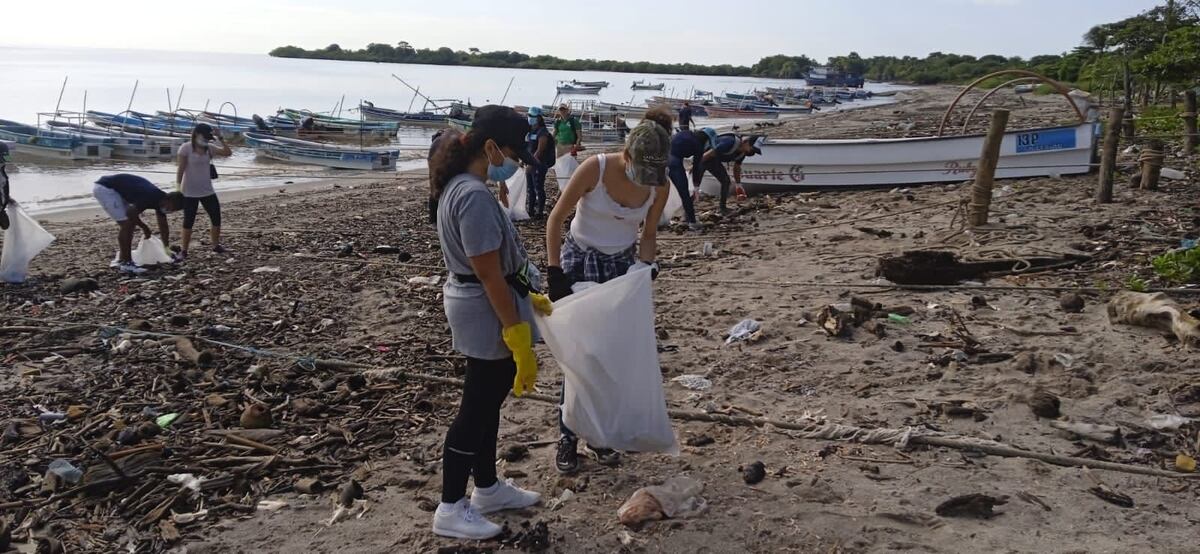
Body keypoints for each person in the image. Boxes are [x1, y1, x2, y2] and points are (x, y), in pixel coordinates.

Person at [428, 105, 550, 540]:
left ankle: (487, 487)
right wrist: (515, 332)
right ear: (491, 147)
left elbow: (496, 264)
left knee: (488, 403)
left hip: (483, 302)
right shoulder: (474, 195)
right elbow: (486, 272)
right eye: (514, 154)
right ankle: (450, 505)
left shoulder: (465, 185)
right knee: (475, 409)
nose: (515, 164)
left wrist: (528, 291)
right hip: (484, 309)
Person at [544, 118, 671, 473]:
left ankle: (600, 436)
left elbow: (647, 235)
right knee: (580, 356)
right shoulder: (595, 168)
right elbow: (555, 220)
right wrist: (555, 273)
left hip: (620, 267)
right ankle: (568, 438)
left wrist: (645, 268)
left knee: (612, 356)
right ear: (627, 154)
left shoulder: (657, 186)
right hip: (579, 261)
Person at [92, 174, 184, 274]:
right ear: (168, 199)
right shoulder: (150, 196)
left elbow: (163, 226)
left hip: (118, 190)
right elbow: (131, 212)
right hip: (106, 188)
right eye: (172, 207)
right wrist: (144, 227)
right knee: (126, 225)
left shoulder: (161, 202)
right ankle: (126, 263)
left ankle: (123, 260)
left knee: (130, 224)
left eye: (174, 210)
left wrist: (166, 247)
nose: (170, 210)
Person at [176, 123, 232, 258]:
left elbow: (227, 153)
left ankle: (216, 245)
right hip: (189, 191)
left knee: (216, 218)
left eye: (208, 137)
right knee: (188, 221)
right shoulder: (186, 148)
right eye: (204, 136)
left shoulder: (209, 148)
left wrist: (220, 137)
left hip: (207, 190)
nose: (206, 139)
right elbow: (180, 169)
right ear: (196, 134)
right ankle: (184, 250)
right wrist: (178, 189)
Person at [692, 129, 766, 215]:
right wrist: (695, 165)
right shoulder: (730, 142)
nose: (752, 153)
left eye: (755, 152)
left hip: (714, 159)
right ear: (746, 142)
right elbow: (710, 153)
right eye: (752, 149)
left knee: (726, 182)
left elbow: (737, 167)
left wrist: (738, 185)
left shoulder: (742, 153)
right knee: (696, 185)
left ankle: (723, 208)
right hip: (705, 156)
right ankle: (688, 211)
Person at [665, 127, 712, 230]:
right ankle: (692, 222)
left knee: (658, 192)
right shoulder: (698, 146)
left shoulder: (685, 132)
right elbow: (696, 167)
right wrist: (696, 186)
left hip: (661, 158)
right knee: (685, 194)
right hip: (674, 162)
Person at [525, 107, 555, 218]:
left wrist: (531, 162)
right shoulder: (530, 130)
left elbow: (540, 150)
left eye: (532, 116)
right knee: (530, 188)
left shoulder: (542, 132)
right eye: (529, 115)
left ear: (538, 118)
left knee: (538, 188)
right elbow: (528, 148)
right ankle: (531, 210)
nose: (530, 118)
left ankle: (540, 212)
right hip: (530, 163)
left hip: (539, 164)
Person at [0, 143, 11, 230]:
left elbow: (3, 188)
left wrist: (8, 198)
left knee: (6, 225)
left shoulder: (1, 171)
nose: (4, 162)